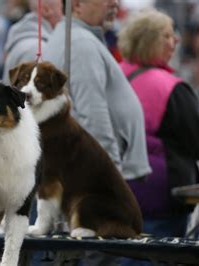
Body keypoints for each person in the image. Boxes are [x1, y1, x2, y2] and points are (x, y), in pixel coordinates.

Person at [118, 8, 199, 238]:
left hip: (116, 189)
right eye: (168, 36)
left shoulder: (115, 76)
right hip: (159, 196)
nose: (176, 41)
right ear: (151, 41)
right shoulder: (170, 88)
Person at [44, 0, 151, 181]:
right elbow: (94, 117)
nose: (115, 3)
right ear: (77, 5)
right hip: (98, 177)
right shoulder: (80, 43)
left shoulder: (77, 38)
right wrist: (110, 178)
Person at [2, 0, 63, 84]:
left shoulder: (27, 40)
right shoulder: (37, 49)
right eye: (61, 9)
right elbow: (31, 94)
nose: (64, 16)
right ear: (46, 10)